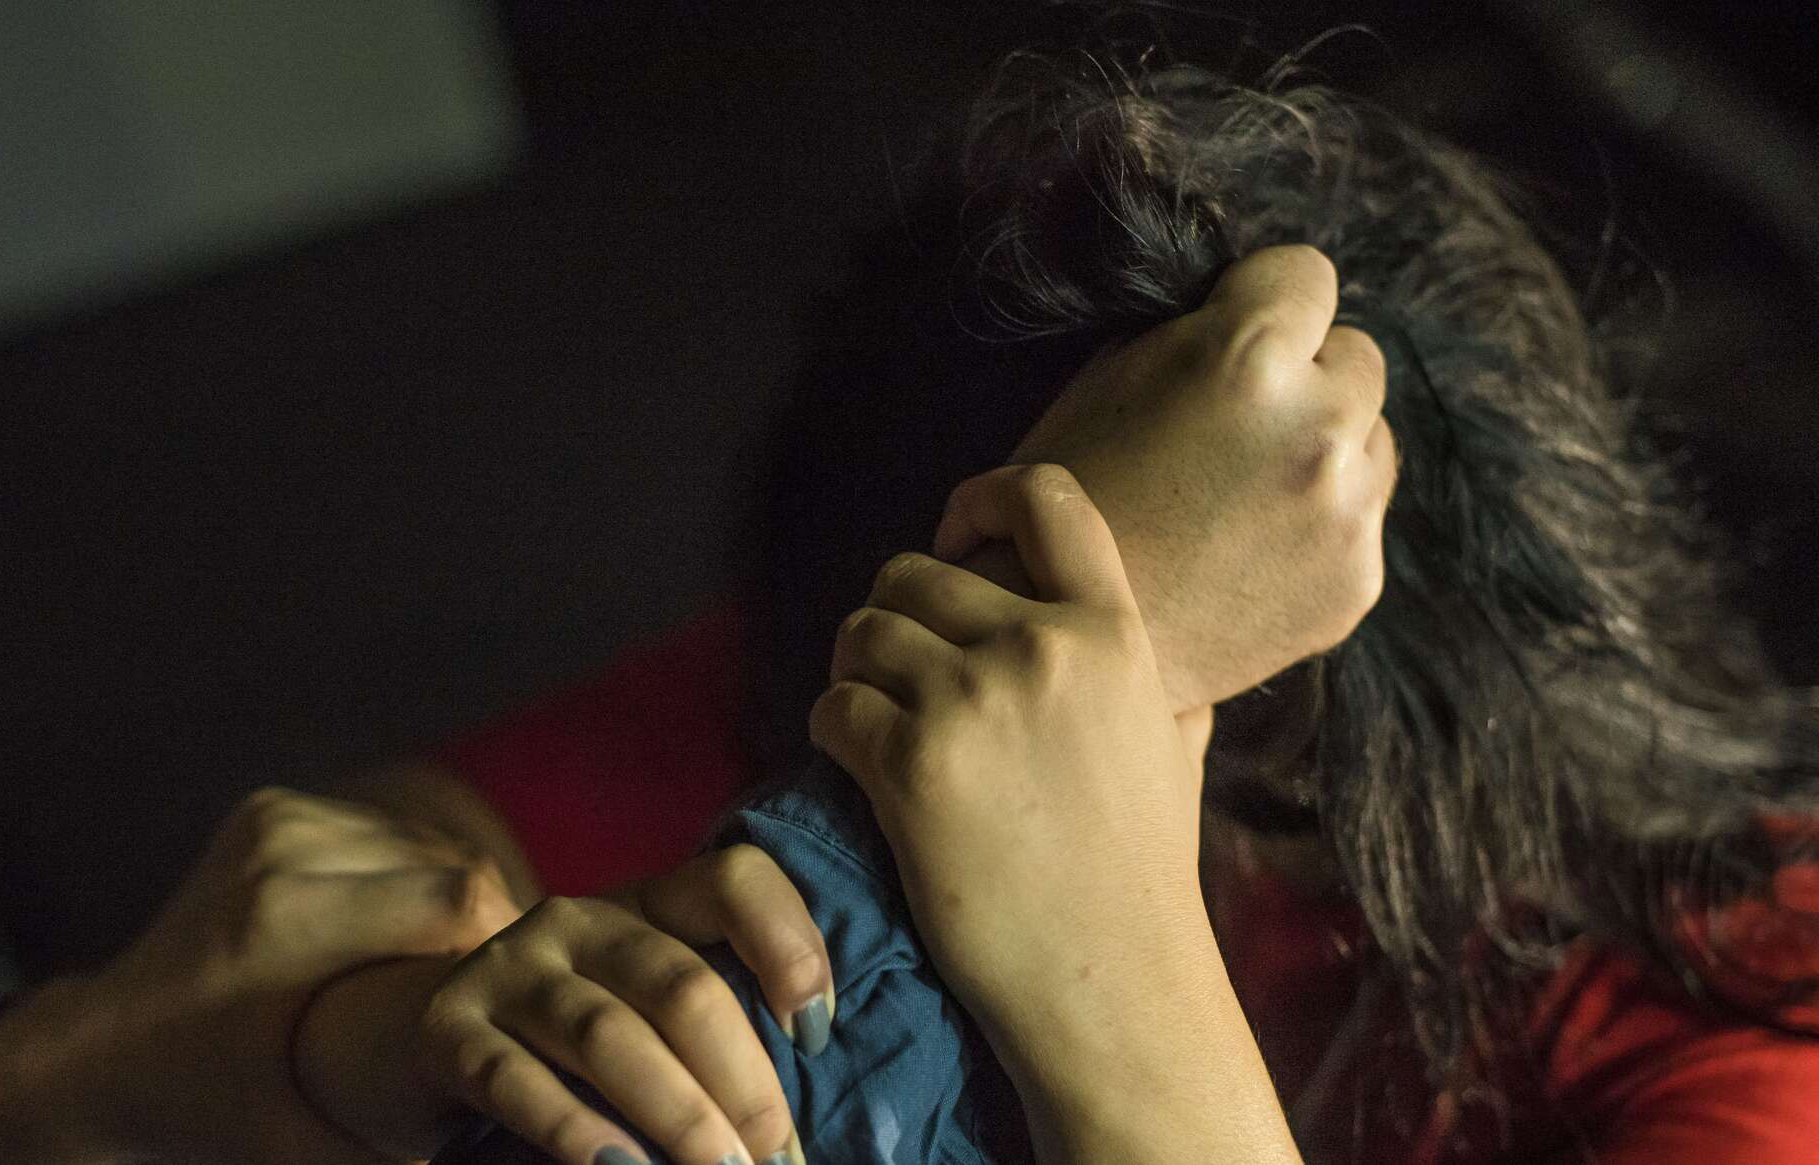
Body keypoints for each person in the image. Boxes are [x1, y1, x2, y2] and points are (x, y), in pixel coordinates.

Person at [297, 44, 1819, 1165]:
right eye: (994, 602)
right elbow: (323, 881)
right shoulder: (904, 660)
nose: (1013, 704)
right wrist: (397, 1031)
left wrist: (1099, 937)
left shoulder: (1749, 1040)